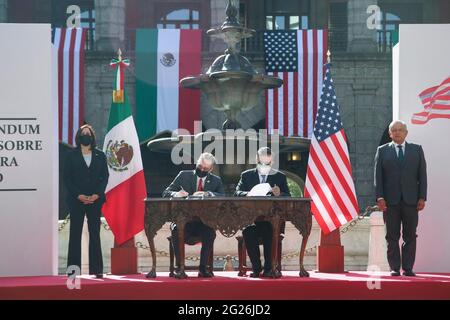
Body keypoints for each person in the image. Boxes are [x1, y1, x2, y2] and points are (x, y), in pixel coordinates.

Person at [374, 120, 427, 277]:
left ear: (406, 133)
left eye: (400, 130)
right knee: (392, 236)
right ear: (390, 134)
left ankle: (408, 268)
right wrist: (380, 197)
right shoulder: (382, 151)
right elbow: (378, 177)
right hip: (390, 202)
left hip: (411, 201)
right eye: (394, 130)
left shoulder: (416, 150)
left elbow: (422, 176)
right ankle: (395, 268)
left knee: (410, 235)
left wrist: (422, 197)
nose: (397, 132)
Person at [163, 152, 224, 278]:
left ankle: (203, 268)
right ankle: (180, 267)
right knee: (175, 230)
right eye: (200, 166)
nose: (202, 170)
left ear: (211, 169)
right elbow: (166, 192)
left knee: (210, 233)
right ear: (197, 163)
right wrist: (177, 194)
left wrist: (208, 194)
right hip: (183, 220)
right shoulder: (184, 175)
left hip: (204, 222)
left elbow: (222, 196)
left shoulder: (216, 181)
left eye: (205, 168)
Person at [234, 147, 290, 278]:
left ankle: (269, 268)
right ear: (257, 160)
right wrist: (248, 193)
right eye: (262, 163)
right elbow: (237, 192)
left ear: (272, 161)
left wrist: (279, 194)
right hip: (251, 219)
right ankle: (256, 268)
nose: (265, 166)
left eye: (268, 163)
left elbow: (288, 196)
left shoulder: (279, 176)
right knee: (248, 232)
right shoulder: (246, 175)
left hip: (271, 220)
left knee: (270, 232)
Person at [64, 124, 109, 278]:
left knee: (95, 233)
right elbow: (67, 179)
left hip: (95, 200)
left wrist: (97, 194)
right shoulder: (71, 155)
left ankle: (97, 270)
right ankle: (73, 271)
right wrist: (79, 195)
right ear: (79, 136)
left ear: (92, 136)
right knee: (74, 234)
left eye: (88, 133)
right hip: (76, 200)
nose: (85, 135)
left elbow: (105, 177)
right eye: (83, 133)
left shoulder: (100, 155)